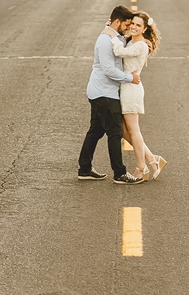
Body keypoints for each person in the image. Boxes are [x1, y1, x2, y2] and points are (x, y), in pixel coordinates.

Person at [77, 6, 144, 185]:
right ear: (117, 22)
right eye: (126, 24)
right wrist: (131, 78)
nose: (128, 28)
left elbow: (123, 43)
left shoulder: (111, 36)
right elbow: (109, 70)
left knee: (96, 130)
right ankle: (120, 173)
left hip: (99, 91)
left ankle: (84, 169)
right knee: (115, 132)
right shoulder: (106, 41)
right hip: (105, 93)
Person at [111, 12, 166, 181]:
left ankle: (141, 168)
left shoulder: (141, 45)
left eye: (138, 25)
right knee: (123, 129)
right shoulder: (132, 41)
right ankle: (152, 158)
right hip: (126, 87)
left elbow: (119, 51)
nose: (133, 27)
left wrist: (110, 33)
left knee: (133, 130)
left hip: (131, 90)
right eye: (132, 24)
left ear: (145, 28)